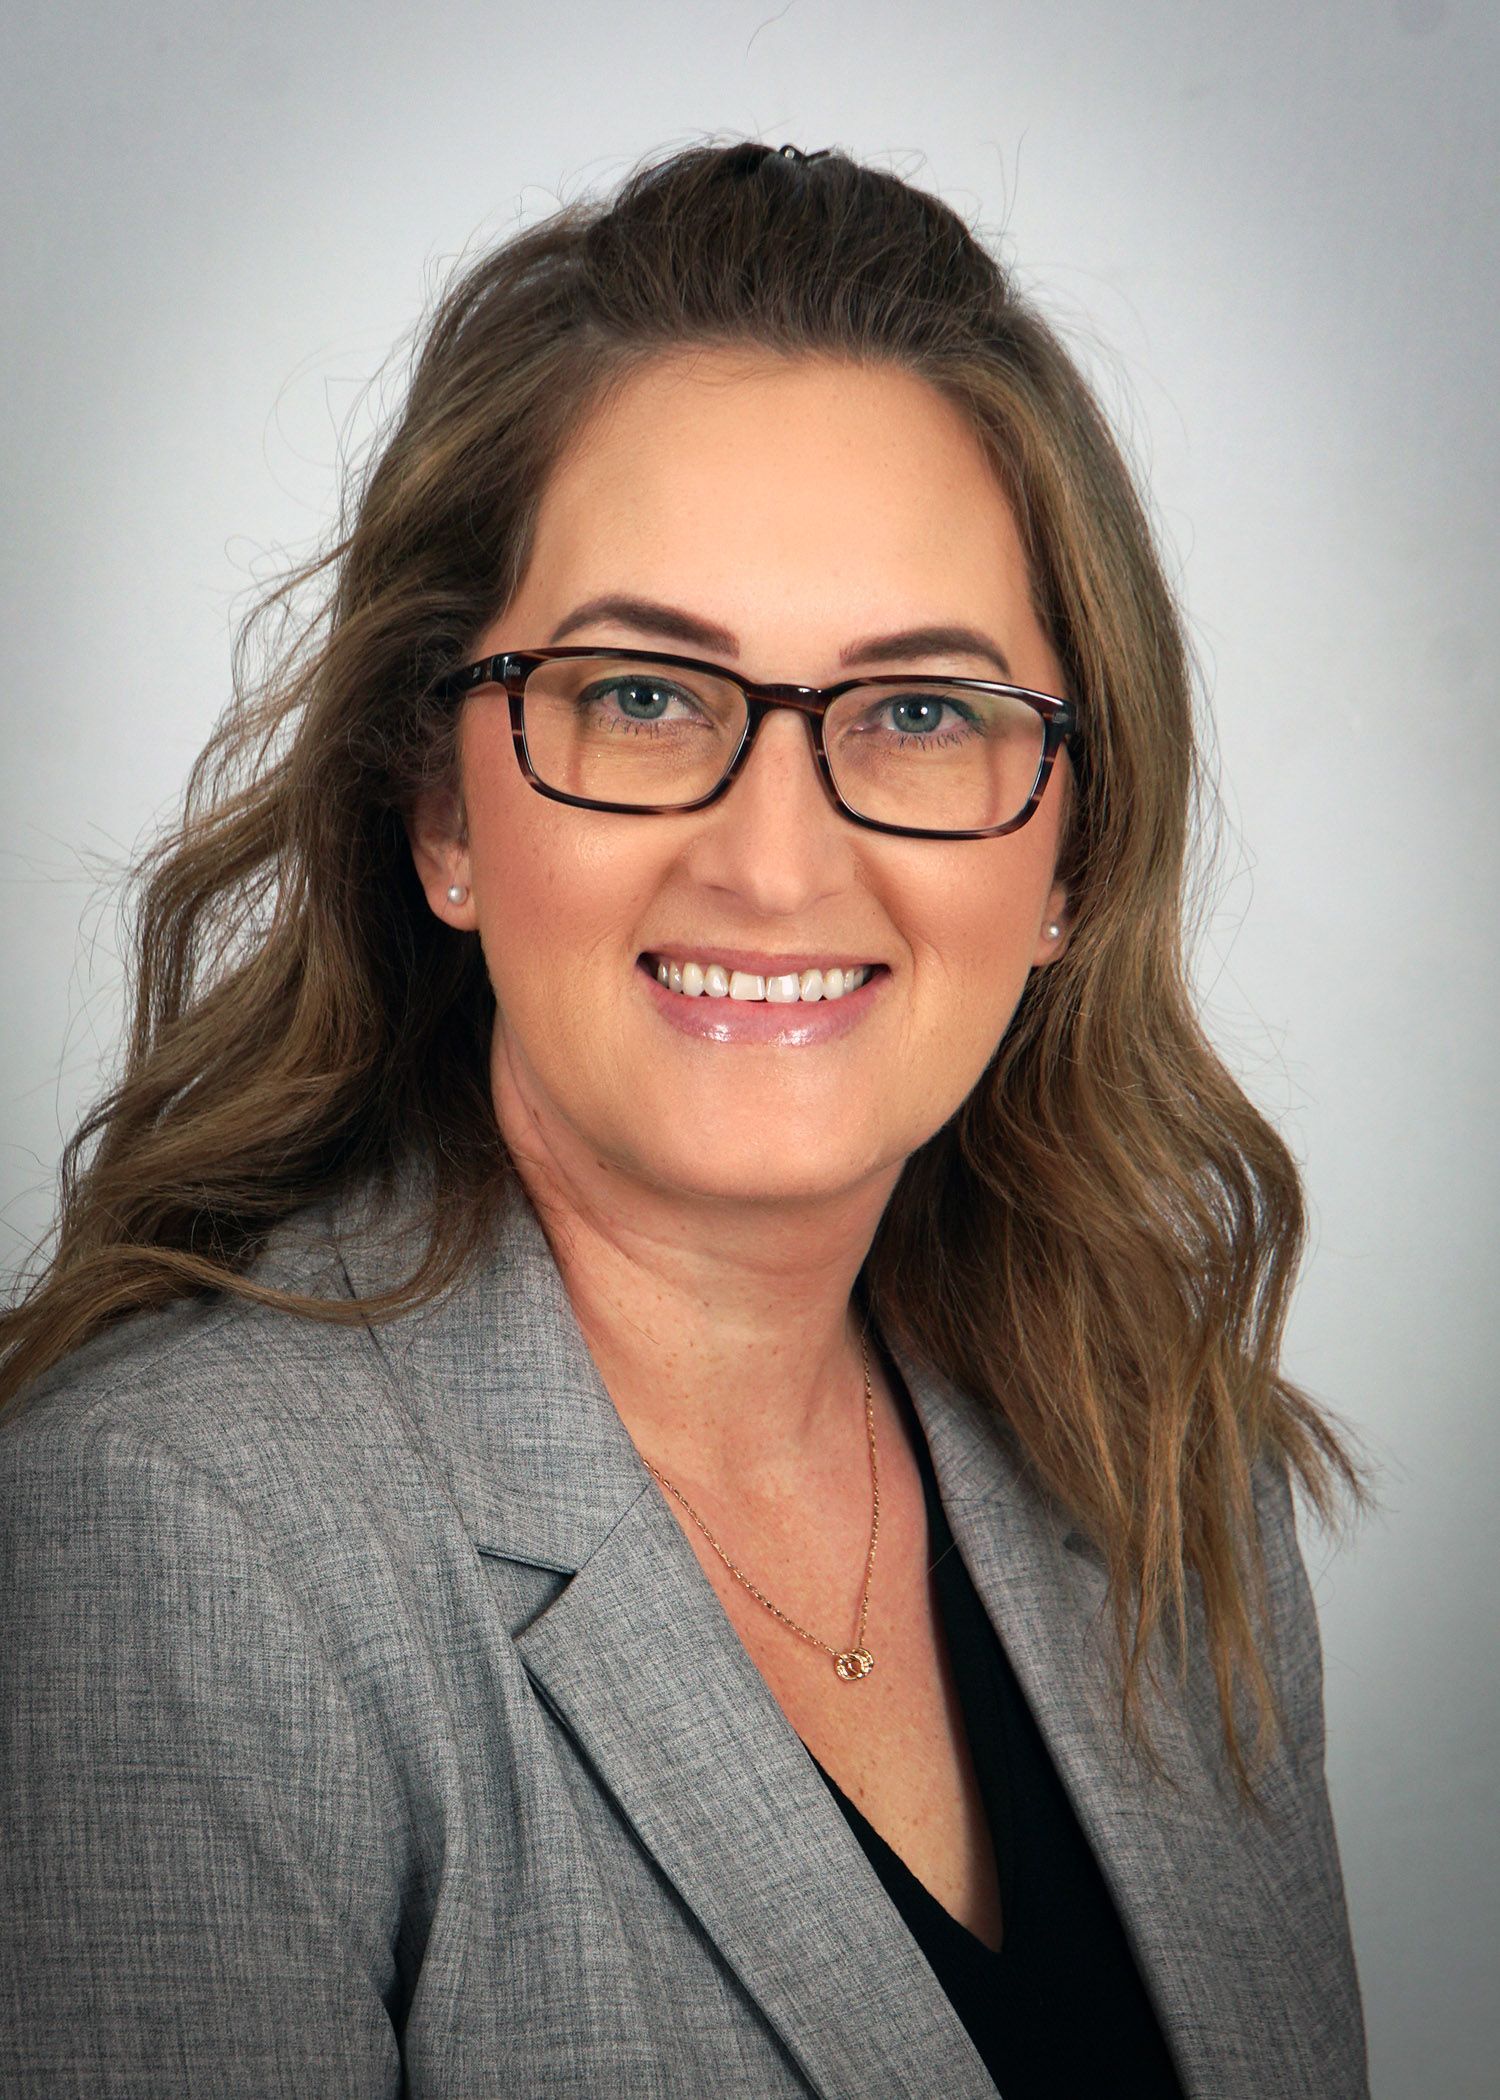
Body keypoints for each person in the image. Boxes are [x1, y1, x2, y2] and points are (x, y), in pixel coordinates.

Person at [0, 141, 1369, 2098]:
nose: (776, 861)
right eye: (642, 696)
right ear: (445, 812)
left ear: (1073, 852)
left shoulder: (1164, 1471)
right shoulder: (179, 1544)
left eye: (917, 712)